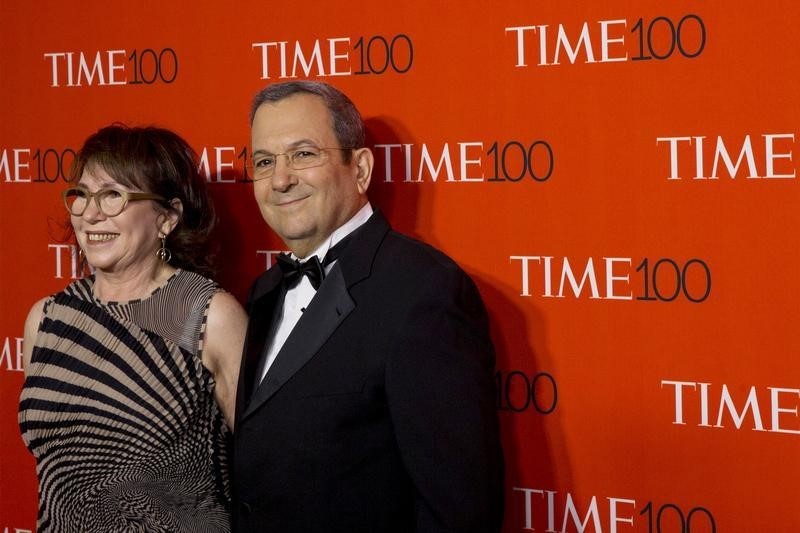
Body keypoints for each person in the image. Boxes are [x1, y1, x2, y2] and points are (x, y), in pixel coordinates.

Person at [233, 81, 504, 532]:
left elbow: (460, 512)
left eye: (303, 154)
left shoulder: (423, 292)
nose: (280, 179)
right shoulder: (264, 291)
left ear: (359, 168)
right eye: (265, 162)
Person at [18, 124, 247, 532]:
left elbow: (264, 466)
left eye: (113, 195)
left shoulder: (209, 315)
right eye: (83, 195)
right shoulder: (48, 319)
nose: (90, 213)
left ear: (167, 218)